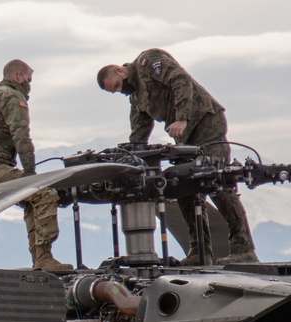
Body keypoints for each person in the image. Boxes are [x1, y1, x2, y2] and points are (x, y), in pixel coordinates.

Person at [97, 49, 259, 265]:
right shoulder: (137, 96)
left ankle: (243, 248)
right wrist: (130, 155)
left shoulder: (149, 62)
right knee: (184, 188)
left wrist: (181, 118)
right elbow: (139, 128)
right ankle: (199, 250)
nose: (121, 90)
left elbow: (180, 80)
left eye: (117, 85)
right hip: (184, 139)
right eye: (115, 91)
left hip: (204, 122)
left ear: (119, 70)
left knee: (218, 182)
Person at [0, 59, 73, 271]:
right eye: (29, 79)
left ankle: (40, 260)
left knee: (31, 199)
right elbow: (21, 136)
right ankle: (43, 258)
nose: (29, 85)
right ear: (18, 76)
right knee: (44, 194)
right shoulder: (12, 97)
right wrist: (32, 175)